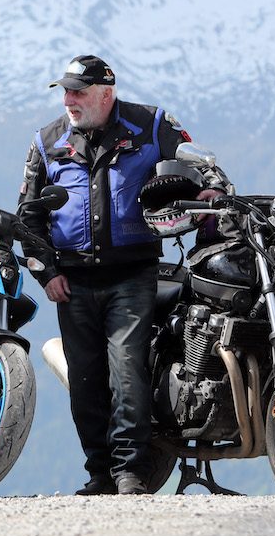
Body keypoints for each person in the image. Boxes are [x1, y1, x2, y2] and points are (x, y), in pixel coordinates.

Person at [18, 55, 227, 495]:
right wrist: (46, 273)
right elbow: (28, 216)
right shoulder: (46, 140)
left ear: (105, 94)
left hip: (133, 273)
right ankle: (98, 473)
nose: (69, 100)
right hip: (71, 281)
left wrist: (213, 188)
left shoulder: (151, 125)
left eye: (78, 92)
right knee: (86, 379)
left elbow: (198, 162)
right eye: (65, 92)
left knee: (126, 369)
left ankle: (130, 473)